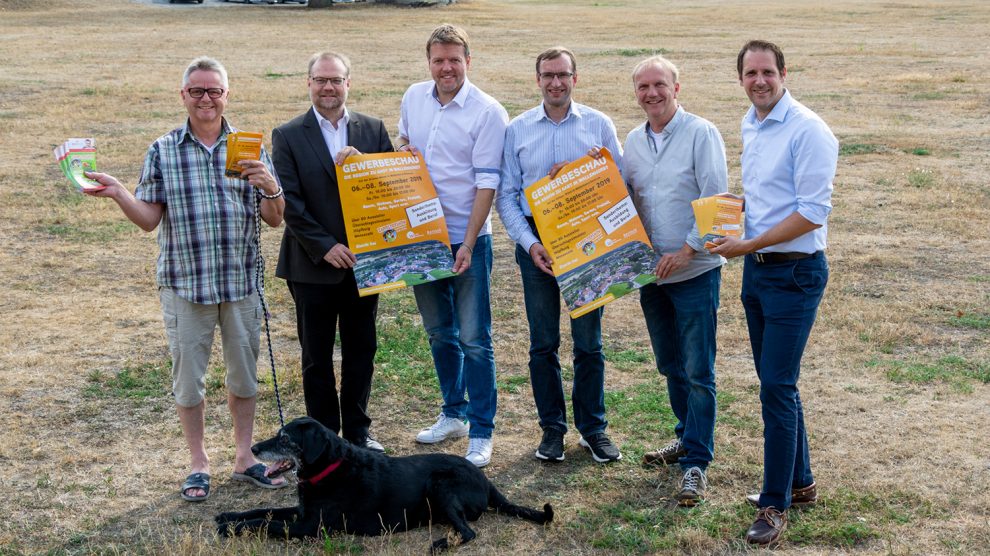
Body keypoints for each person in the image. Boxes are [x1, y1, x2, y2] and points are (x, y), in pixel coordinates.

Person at [83, 56, 288, 502]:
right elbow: (148, 220)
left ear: (226, 95)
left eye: (214, 90)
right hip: (185, 285)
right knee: (189, 380)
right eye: (197, 90)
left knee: (244, 378)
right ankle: (198, 464)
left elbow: (274, 220)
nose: (206, 98)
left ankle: (244, 457)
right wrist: (120, 191)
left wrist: (269, 185)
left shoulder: (249, 147)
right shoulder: (164, 149)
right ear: (183, 95)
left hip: (239, 284)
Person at [710, 40, 837, 545]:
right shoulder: (751, 122)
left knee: (776, 387)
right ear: (740, 78)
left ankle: (774, 504)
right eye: (750, 73)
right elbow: (765, 197)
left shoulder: (809, 130)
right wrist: (727, 216)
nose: (759, 81)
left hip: (795, 273)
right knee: (774, 380)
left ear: (784, 73)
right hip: (758, 271)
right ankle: (799, 483)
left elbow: (811, 213)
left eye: (767, 72)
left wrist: (748, 244)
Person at [496, 46, 623, 464]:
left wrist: (598, 167)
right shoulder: (517, 129)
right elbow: (508, 196)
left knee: (589, 342)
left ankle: (593, 429)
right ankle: (552, 429)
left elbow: (619, 185)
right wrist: (529, 244)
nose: (555, 82)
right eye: (548, 75)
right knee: (543, 343)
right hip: (536, 242)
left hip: (586, 241)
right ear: (537, 80)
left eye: (563, 75)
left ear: (575, 77)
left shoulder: (599, 125)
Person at [396, 24, 508, 467]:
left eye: (454, 60)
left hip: (468, 240)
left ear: (468, 61)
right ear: (429, 62)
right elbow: (405, 142)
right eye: (439, 60)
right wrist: (398, 151)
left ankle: (481, 430)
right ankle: (454, 413)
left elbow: (487, 184)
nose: (446, 68)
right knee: (440, 332)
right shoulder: (413, 97)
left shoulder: (487, 111)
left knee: (475, 338)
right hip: (421, 239)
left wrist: (466, 241)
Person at [271, 51, 393, 453]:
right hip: (311, 266)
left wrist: (368, 165)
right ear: (309, 83)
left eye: (336, 80)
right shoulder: (287, 134)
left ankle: (358, 431)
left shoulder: (372, 129)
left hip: (363, 264)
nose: (328, 87)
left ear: (348, 84)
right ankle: (324, 437)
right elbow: (290, 202)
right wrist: (326, 247)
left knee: (362, 351)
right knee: (316, 358)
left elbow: (392, 187)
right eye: (321, 80)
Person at [622, 55, 727, 506]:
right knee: (670, 364)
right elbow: (624, 198)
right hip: (652, 275)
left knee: (699, 371)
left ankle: (696, 464)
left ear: (676, 88)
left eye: (659, 85)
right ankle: (685, 436)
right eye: (643, 87)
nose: (652, 93)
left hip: (694, 272)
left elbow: (718, 201)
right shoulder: (632, 140)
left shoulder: (701, 133)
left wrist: (686, 251)